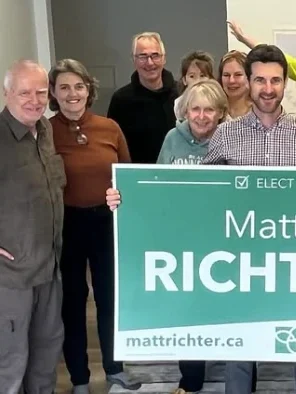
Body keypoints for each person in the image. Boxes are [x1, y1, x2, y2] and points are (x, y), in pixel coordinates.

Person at [107, 44, 296, 394]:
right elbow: (196, 197)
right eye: (260, 80)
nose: (268, 88)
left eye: (275, 80)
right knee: (239, 350)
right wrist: (131, 200)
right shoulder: (226, 135)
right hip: (243, 264)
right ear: (248, 83)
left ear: (286, 82)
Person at [104, 79, 229, 394]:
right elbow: (156, 184)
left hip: (223, 237)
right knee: (187, 308)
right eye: (195, 109)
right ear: (186, 110)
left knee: (225, 308)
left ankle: (238, 377)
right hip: (182, 239)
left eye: (208, 110)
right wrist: (123, 196)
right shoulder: (173, 137)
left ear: (220, 114)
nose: (201, 116)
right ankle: (190, 382)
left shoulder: (230, 139)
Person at [48, 59, 140, 393]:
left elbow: (127, 176)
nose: (72, 94)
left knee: (110, 300)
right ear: (53, 94)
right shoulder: (44, 131)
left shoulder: (109, 127)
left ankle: (115, 369)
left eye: (79, 86)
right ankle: (80, 380)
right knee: (72, 303)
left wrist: (121, 194)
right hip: (65, 226)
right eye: (64, 88)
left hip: (105, 222)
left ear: (89, 90)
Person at [0, 60, 66, 394]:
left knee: (45, 357)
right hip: (10, 278)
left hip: (49, 270)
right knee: (10, 365)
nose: (34, 99)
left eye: (41, 92)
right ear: (6, 93)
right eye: (25, 92)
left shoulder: (45, 130)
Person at [107, 31, 179, 164]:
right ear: (133, 60)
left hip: (177, 176)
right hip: (137, 178)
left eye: (155, 56)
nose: (150, 63)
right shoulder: (120, 100)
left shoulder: (182, 95)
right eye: (143, 56)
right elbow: (113, 146)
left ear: (164, 58)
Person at [174, 50, 215, 122]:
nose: (197, 80)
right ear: (184, 80)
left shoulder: (216, 100)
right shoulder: (179, 104)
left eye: (202, 75)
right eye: (192, 76)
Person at [217, 50, 252, 118]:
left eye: (238, 75)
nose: (231, 81)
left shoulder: (260, 112)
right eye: (226, 75)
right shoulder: (214, 111)